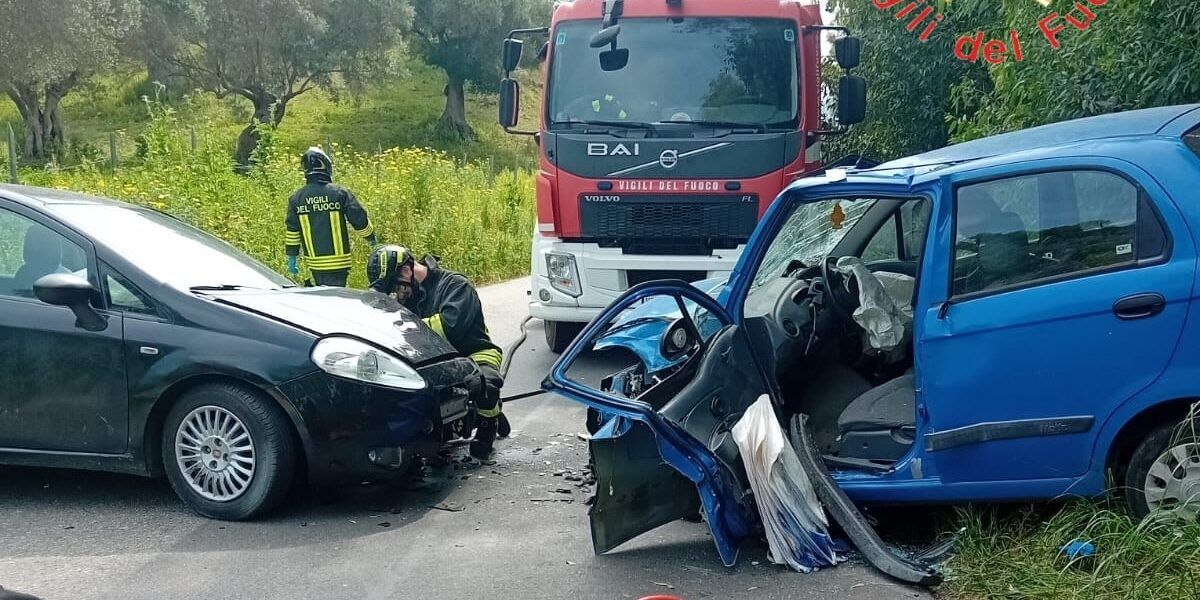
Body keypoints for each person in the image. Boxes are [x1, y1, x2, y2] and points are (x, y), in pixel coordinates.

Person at [367, 245, 508, 459]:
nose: (397, 295)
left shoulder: (455, 285)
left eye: (396, 287)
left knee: (482, 384)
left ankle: (488, 421)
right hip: (434, 359)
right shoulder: (411, 295)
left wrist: (401, 324)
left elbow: (450, 327)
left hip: (472, 352)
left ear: (407, 271)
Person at [285, 147, 377, 287]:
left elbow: (292, 230)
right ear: (326, 166)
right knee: (336, 298)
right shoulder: (339, 193)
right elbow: (358, 218)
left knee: (322, 295)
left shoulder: (296, 199)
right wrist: (371, 237)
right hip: (339, 262)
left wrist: (292, 256)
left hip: (315, 263)